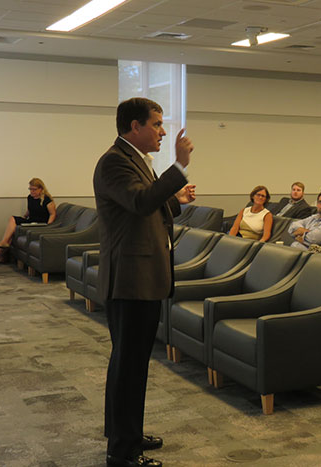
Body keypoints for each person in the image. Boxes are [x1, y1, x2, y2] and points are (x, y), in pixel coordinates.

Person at [93, 97, 196, 467]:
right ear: (134, 127)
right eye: (156, 124)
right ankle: (122, 451)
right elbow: (138, 203)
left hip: (142, 278)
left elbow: (148, 205)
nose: (163, 131)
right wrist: (179, 168)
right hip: (130, 281)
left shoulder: (134, 160)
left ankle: (128, 435)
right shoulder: (114, 162)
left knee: (132, 366)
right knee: (128, 367)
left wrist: (175, 195)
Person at [0, 177, 57, 264]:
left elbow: (53, 214)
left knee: (12, 232)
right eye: (30, 189)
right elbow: (30, 210)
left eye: (34, 189)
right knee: (13, 220)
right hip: (31, 221)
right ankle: (3, 244)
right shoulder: (30, 197)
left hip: (40, 224)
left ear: (41, 189)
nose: (32, 191)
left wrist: (48, 226)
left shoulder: (47, 200)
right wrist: (24, 217)